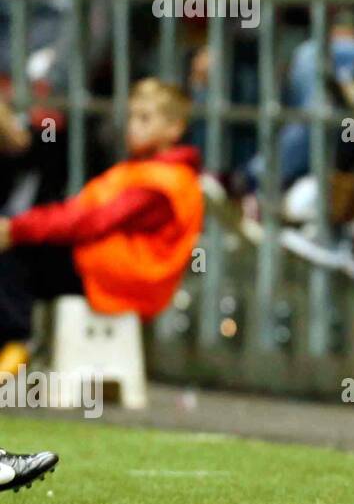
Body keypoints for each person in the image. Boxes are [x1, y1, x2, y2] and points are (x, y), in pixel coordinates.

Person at [0, 80, 203, 377]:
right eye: (132, 116)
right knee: (23, 253)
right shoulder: (143, 170)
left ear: (175, 128)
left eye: (145, 118)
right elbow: (80, 213)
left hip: (121, 275)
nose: (133, 126)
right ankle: (18, 344)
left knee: (14, 257)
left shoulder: (164, 182)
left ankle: (15, 343)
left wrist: (16, 229)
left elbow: (91, 221)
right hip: (107, 267)